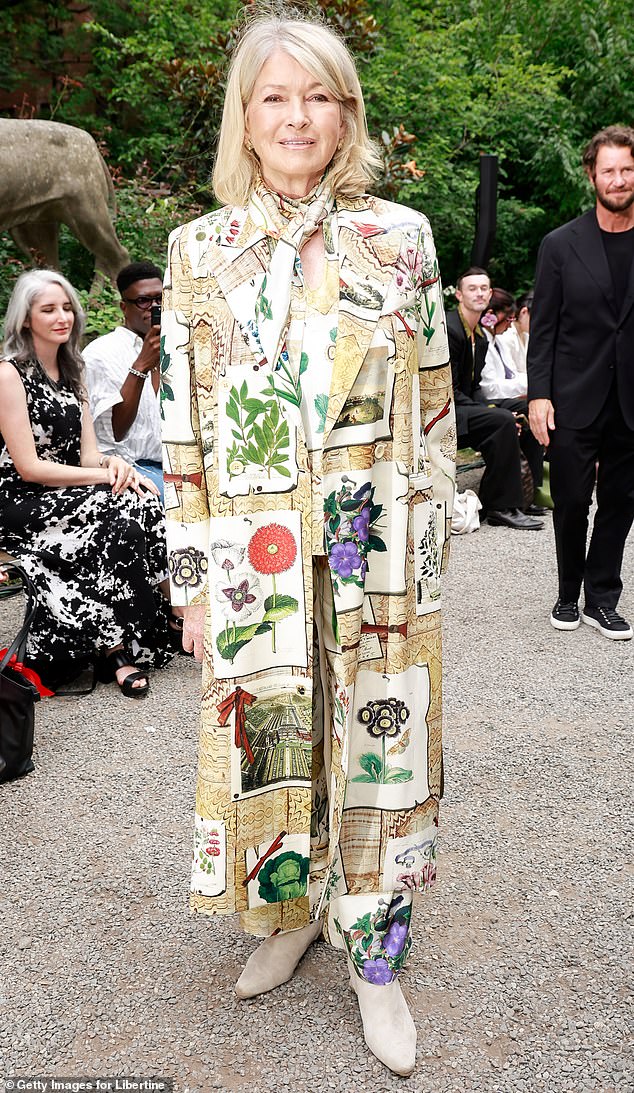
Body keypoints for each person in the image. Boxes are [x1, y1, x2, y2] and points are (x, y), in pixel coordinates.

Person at [161, 12, 456, 1077]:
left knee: (379, 747)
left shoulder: (402, 237)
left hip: (373, 545)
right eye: (275, 96)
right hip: (255, 554)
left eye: (317, 96)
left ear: (345, 114)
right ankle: (289, 911)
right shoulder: (199, 250)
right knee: (274, 732)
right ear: (247, 114)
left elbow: (432, 407)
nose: (296, 116)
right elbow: (183, 429)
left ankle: (375, 957)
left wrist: (427, 557)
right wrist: (191, 578)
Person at [0, 269, 174, 697]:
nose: (62, 317)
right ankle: (116, 651)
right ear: (25, 319)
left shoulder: (73, 371)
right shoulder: (8, 374)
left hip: (66, 489)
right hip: (20, 500)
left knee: (143, 501)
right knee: (106, 511)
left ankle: (124, 640)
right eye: (48, 310)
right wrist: (102, 475)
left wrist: (116, 467)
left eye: (66, 308)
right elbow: (29, 468)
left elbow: (89, 453)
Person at [528, 124, 634, 640]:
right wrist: (538, 395)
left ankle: (603, 597)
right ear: (592, 174)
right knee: (570, 500)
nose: (618, 179)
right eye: (609, 170)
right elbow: (542, 327)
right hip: (573, 395)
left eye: (627, 169)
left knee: (621, 501)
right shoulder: (560, 245)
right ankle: (568, 590)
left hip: (631, 401)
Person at [447, 269, 544, 529]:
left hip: (465, 404)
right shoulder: (451, 329)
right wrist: (490, 410)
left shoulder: (479, 335)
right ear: (459, 294)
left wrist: (488, 407)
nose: (478, 293)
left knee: (527, 407)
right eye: (472, 288)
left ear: (490, 294)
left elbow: (475, 388)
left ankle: (526, 495)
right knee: (501, 420)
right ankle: (502, 507)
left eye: (483, 288)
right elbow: (449, 392)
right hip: (445, 412)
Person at [84, 261, 164, 499]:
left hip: (178, 469)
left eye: (160, 299)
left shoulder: (181, 347)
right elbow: (116, 432)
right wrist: (141, 366)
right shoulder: (99, 354)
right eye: (143, 301)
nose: (154, 307)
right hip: (129, 469)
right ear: (123, 307)